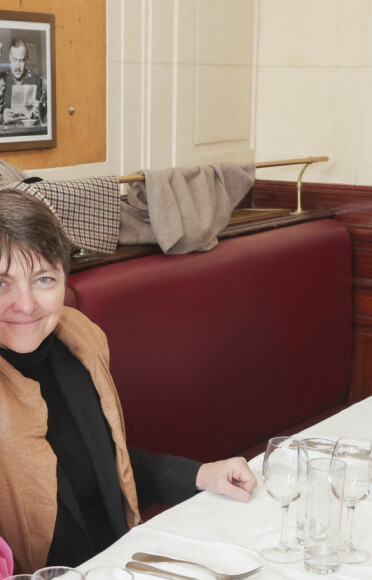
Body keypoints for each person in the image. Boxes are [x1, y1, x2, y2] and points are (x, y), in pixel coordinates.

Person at [0, 188, 257, 573]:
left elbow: (105, 465)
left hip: (115, 564)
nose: (25, 303)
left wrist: (206, 474)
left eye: (43, 279)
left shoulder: (78, 347)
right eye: (1, 283)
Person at [0, 38, 44, 124]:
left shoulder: (36, 81)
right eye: (15, 60)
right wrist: (2, 117)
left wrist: (38, 111)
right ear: (9, 58)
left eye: (21, 61)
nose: (17, 66)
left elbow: (43, 114)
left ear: (25, 60)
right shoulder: (1, 80)